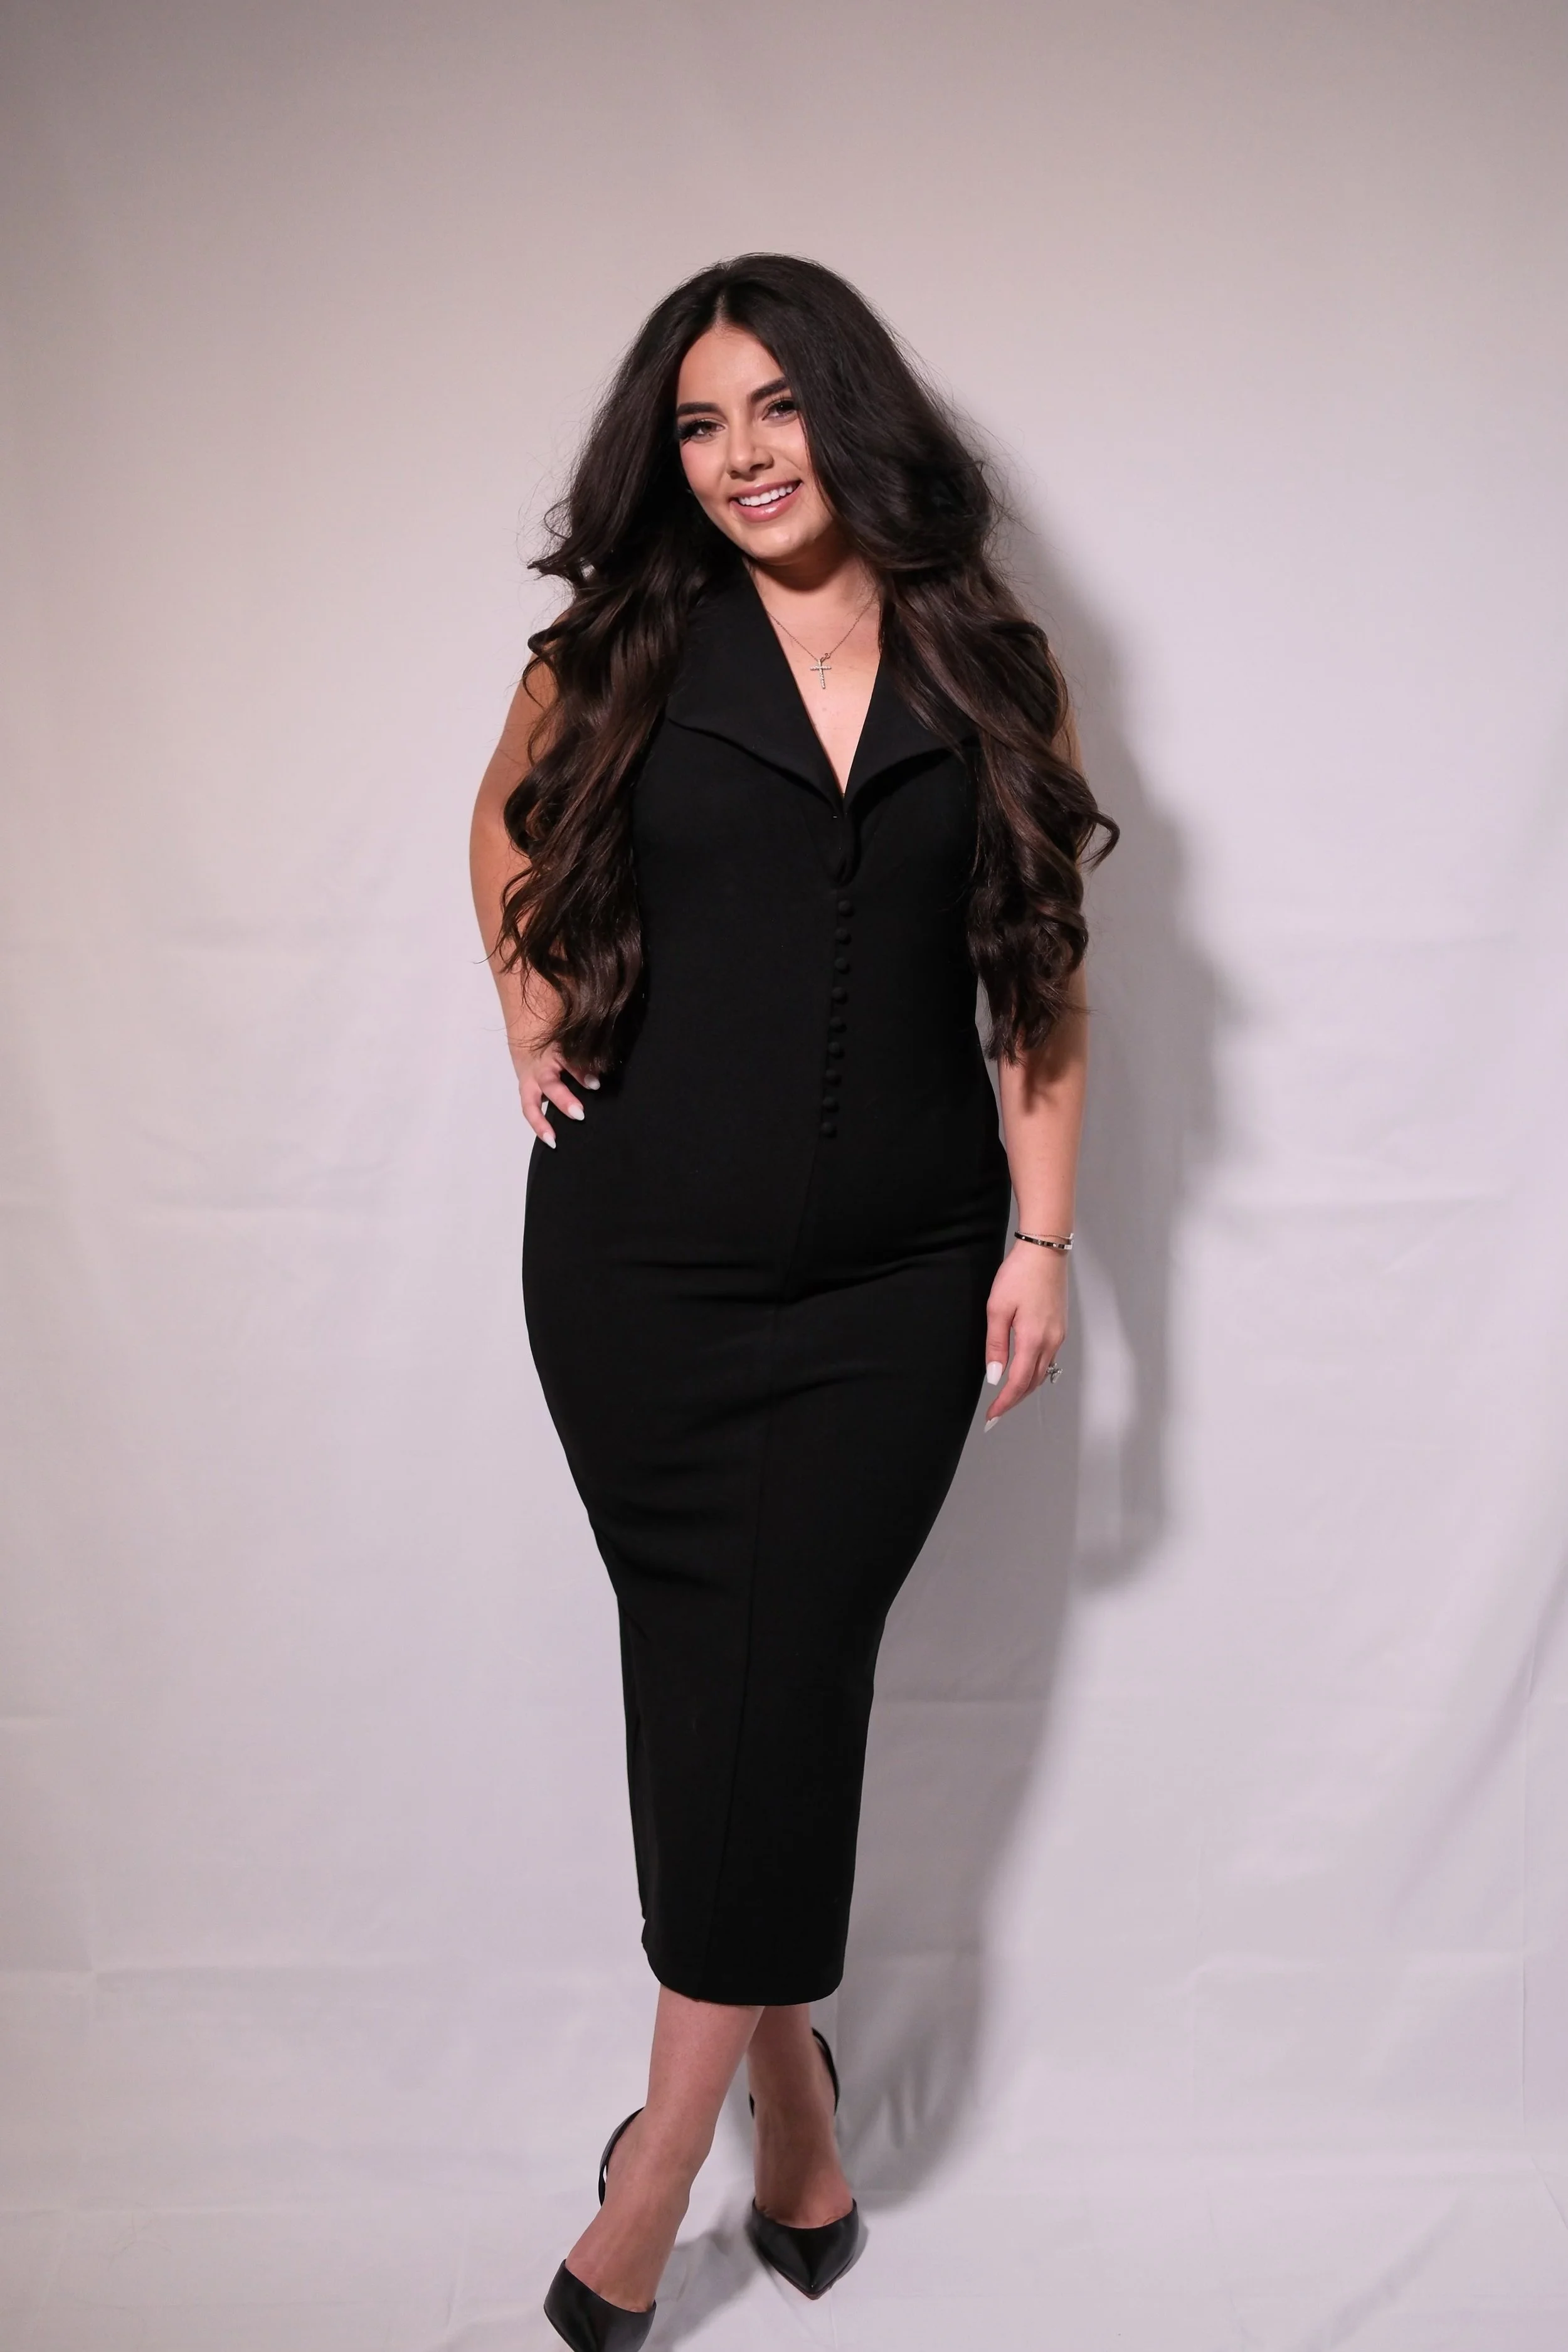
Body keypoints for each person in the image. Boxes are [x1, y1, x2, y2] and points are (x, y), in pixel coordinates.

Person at [469, 253, 1116, 2351]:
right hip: (638, 1265)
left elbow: (1036, 961)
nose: (742, 457)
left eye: (775, 407)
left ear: (853, 411)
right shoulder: (623, 650)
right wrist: (522, 1003)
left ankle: (665, 2154)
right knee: (713, 1665)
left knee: (785, 1669)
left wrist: (1040, 1235)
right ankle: (774, 2092)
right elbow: (500, 824)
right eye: (697, 424)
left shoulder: (989, 660)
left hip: (894, 1276)